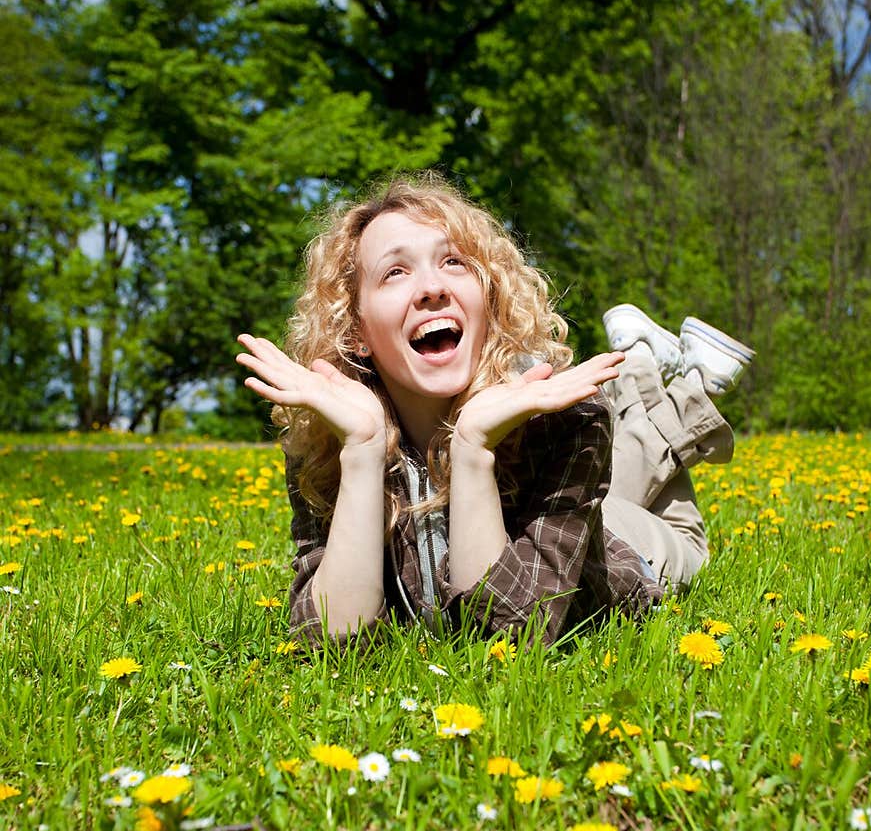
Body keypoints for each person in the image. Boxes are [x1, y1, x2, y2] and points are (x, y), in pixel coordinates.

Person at [236, 174, 753, 649]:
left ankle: (684, 378)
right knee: (623, 467)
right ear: (356, 331)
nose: (433, 287)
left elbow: (516, 632)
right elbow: (327, 639)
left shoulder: (564, 420)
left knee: (654, 508)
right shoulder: (331, 437)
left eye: (453, 261)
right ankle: (649, 360)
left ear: (488, 297)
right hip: (575, 513)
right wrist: (363, 451)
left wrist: (473, 448)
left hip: (634, 549)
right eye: (394, 271)